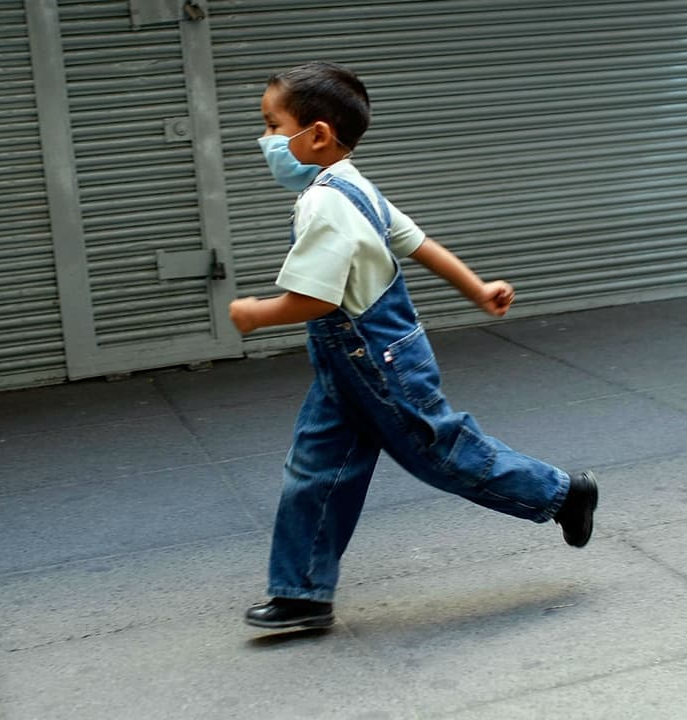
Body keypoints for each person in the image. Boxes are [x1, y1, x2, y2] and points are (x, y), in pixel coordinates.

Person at [229, 62, 598, 631]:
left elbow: (316, 301)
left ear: (318, 134)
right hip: (363, 361)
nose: (266, 140)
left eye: (273, 125)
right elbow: (420, 244)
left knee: (439, 454)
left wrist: (254, 314)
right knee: (317, 468)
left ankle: (561, 493)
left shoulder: (324, 203)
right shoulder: (353, 183)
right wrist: (477, 288)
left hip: (374, 361)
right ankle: (301, 593)